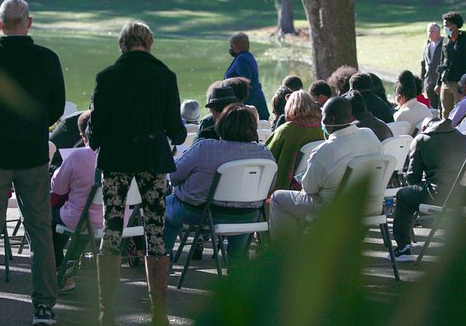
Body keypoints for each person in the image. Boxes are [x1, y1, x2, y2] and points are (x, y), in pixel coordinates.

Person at [0, 0, 66, 326]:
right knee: (39, 229)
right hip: (32, 154)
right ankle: (43, 306)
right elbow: (55, 109)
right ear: (29, 21)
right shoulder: (47, 59)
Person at [88, 20, 186, 326]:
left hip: (116, 159)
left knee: (112, 231)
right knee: (155, 233)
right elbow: (176, 130)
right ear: (149, 42)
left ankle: (107, 312)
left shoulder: (107, 77)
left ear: (122, 44)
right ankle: (159, 313)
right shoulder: (165, 76)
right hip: (152, 160)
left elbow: (95, 135)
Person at [164, 105, 275, 261]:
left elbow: (174, 176)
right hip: (246, 216)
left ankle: (162, 267)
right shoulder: (265, 155)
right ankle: (236, 266)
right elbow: (268, 188)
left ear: (221, 125)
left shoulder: (205, 148)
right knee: (241, 210)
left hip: (198, 212)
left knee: (163, 209)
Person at [269, 96, 382, 233]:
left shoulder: (325, 151)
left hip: (334, 209)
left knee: (277, 198)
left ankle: (285, 249)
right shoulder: (369, 134)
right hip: (369, 204)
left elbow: (309, 189)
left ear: (331, 119)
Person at [391, 116, 466, 259]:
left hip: (440, 196)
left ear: (425, 128)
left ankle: (403, 247)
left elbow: (413, 177)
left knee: (403, 196)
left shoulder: (422, 139)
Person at [49, 111, 100, 292]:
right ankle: (68, 266)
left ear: (83, 135)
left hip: (81, 219)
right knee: (80, 217)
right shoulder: (121, 154)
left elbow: (58, 189)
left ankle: (60, 271)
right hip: (116, 220)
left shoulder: (78, 156)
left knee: (47, 217)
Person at [266, 90, 325, 192]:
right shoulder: (320, 129)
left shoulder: (285, 130)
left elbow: (267, 155)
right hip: (309, 184)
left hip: (282, 189)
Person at [224, 32, 269, 119]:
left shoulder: (242, 59)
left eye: (232, 45)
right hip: (253, 99)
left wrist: (240, 105)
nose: (231, 48)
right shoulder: (247, 56)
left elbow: (245, 83)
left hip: (250, 101)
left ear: (237, 46)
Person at [437, 11, 466, 114]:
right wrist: (439, 83)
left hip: (459, 83)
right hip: (446, 81)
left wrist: (465, 88)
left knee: (460, 111)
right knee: (445, 112)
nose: (445, 28)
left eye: (447, 25)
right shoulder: (445, 41)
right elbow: (442, 61)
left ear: (455, 26)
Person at [420, 23, 444, 110]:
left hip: (441, 81)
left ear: (438, 32)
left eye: (432, 31)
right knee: (432, 108)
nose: (430, 33)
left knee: (442, 106)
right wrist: (422, 80)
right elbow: (423, 63)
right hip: (429, 81)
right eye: (428, 31)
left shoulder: (444, 43)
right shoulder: (427, 44)